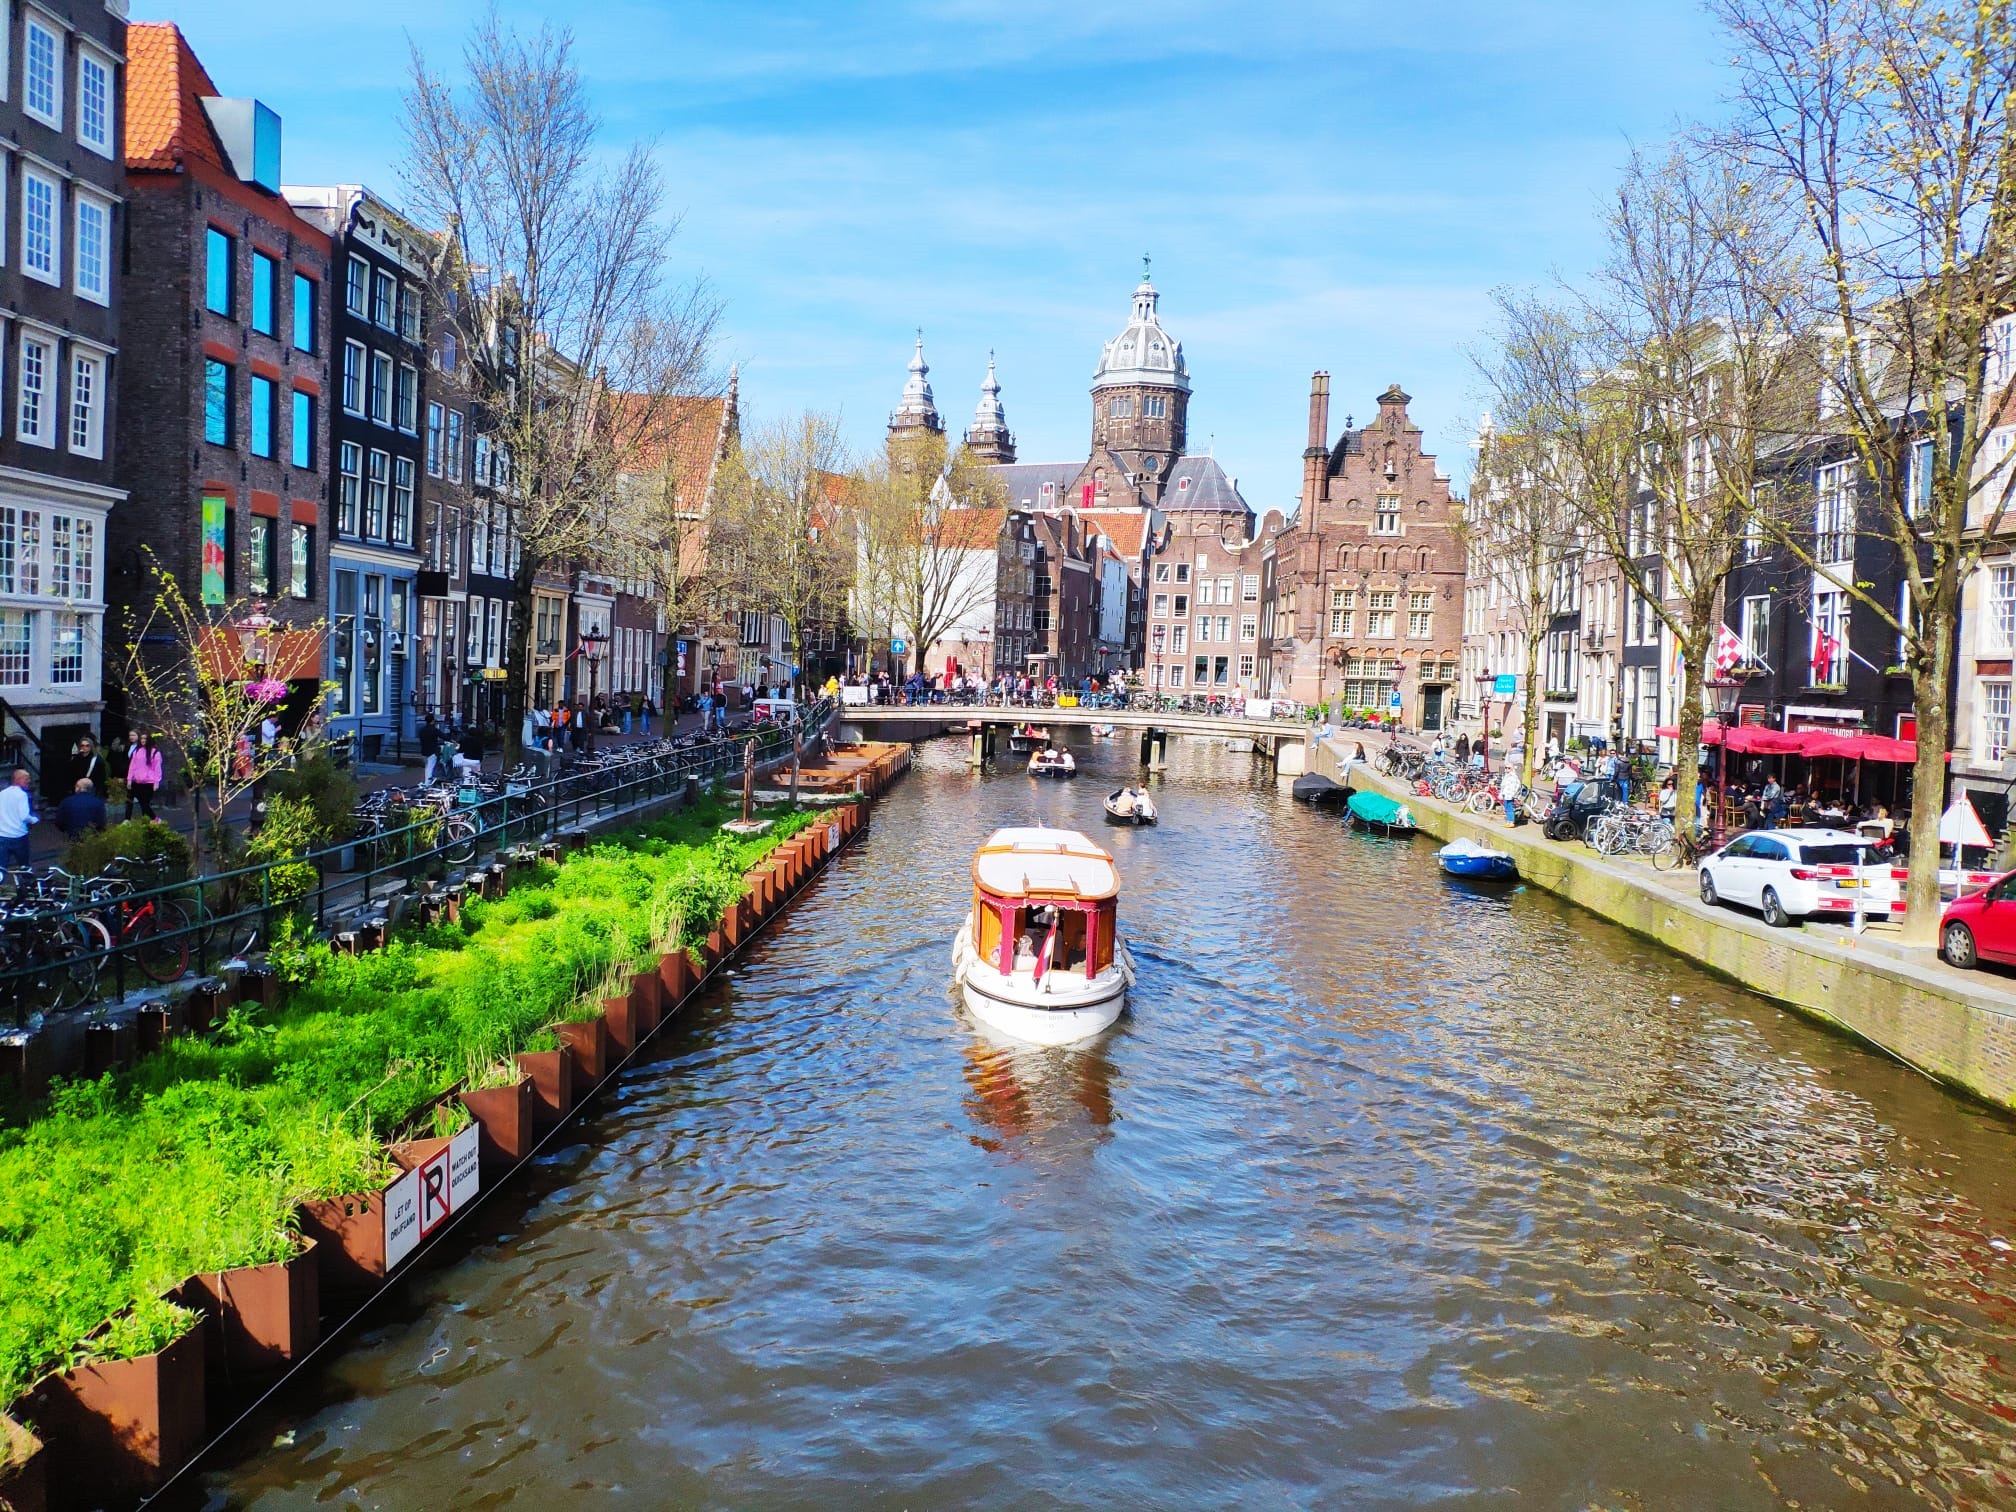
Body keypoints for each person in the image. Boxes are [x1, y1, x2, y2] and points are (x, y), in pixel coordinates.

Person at [0, 769, 35, 869]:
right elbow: (24, 816)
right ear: (18, 779)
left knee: (1, 867)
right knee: (24, 866)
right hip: (18, 835)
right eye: (26, 779)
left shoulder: (2, 794)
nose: (29, 781)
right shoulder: (22, 795)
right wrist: (33, 820)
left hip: (2, 835)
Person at [125, 735, 163, 821]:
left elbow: (157, 769)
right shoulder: (137, 751)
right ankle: (150, 821)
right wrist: (129, 779)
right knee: (140, 803)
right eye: (141, 738)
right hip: (137, 781)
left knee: (145, 804)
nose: (143, 740)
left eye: (145, 738)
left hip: (149, 782)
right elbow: (132, 766)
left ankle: (154, 820)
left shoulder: (155, 753)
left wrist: (156, 782)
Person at [419, 714, 442, 784]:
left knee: (427, 767)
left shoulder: (422, 729)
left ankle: (428, 781)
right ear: (433, 720)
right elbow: (443, 736)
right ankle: (427, 783)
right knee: (430, 767)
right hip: (432, 751)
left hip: (424, 750)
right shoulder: (434, 729)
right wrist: (453, 741)